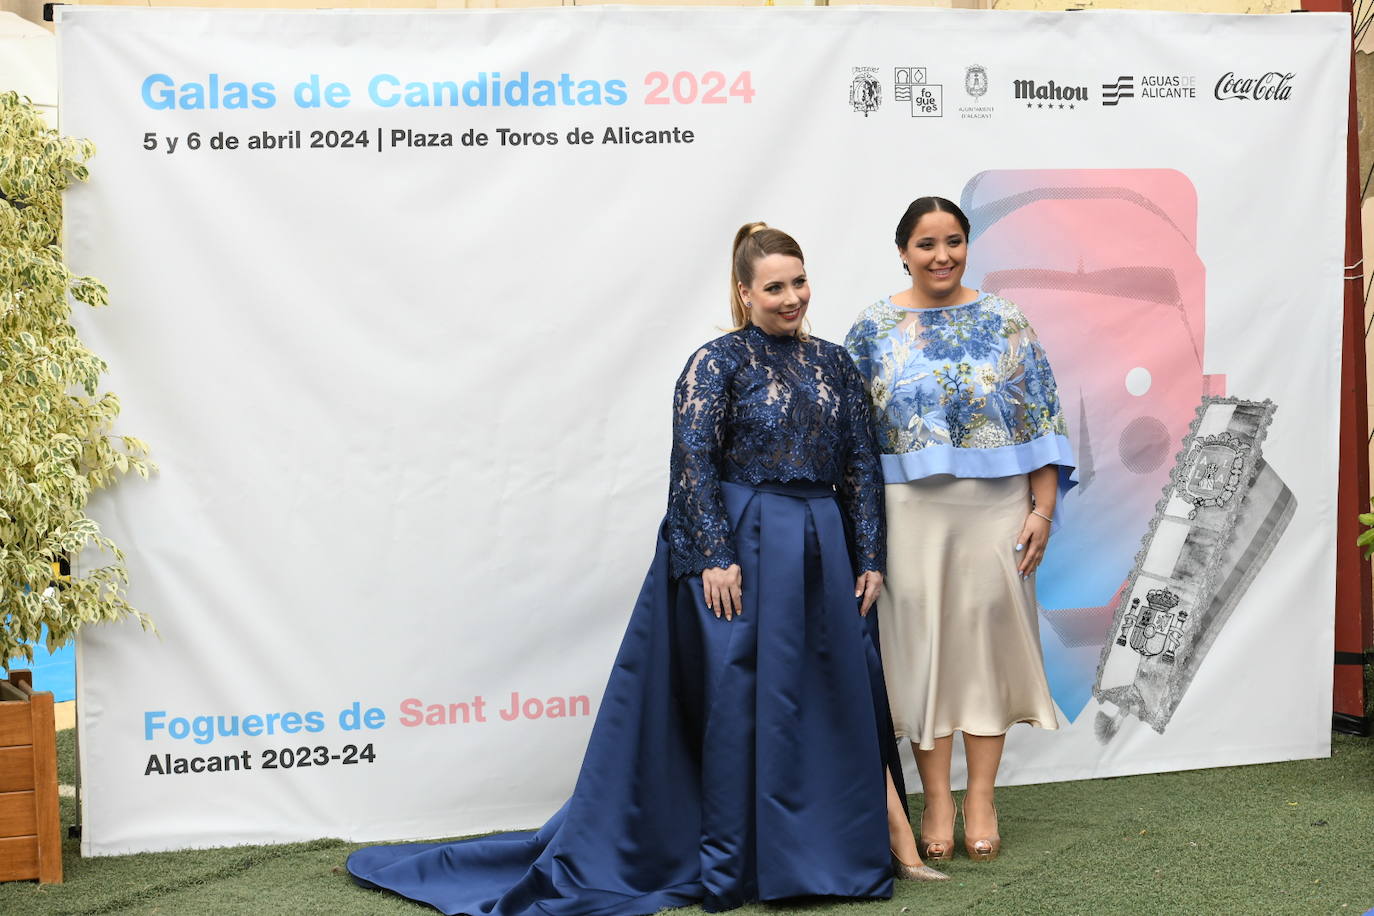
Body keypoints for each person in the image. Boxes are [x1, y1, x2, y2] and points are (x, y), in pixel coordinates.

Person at [347, 221, 943, 916]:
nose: (791, 298)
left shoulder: (836, 362)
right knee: (744, 702)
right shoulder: (715, 363)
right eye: (774, 287)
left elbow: (861, 464)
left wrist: (869, 554)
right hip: (744, 551)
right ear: (744, 292)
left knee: (839, 695)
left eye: (799, 282)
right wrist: (713, 556)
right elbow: (692, 461)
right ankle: (749, 861)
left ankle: (870, 848)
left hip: (823, 544)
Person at [844, 197, 1076, 865]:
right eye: (926, 243)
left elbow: (1041, 418)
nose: (941, 255)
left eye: (953, 240)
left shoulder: (1006, 320)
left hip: (997, 508)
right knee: (922, 654)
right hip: (906, 513)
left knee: (985, 652)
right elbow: (853, 439)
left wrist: (1043, 510)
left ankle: (980, 796)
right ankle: (935, 799)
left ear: (967, 244)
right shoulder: (872, 327)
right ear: (903, 250)